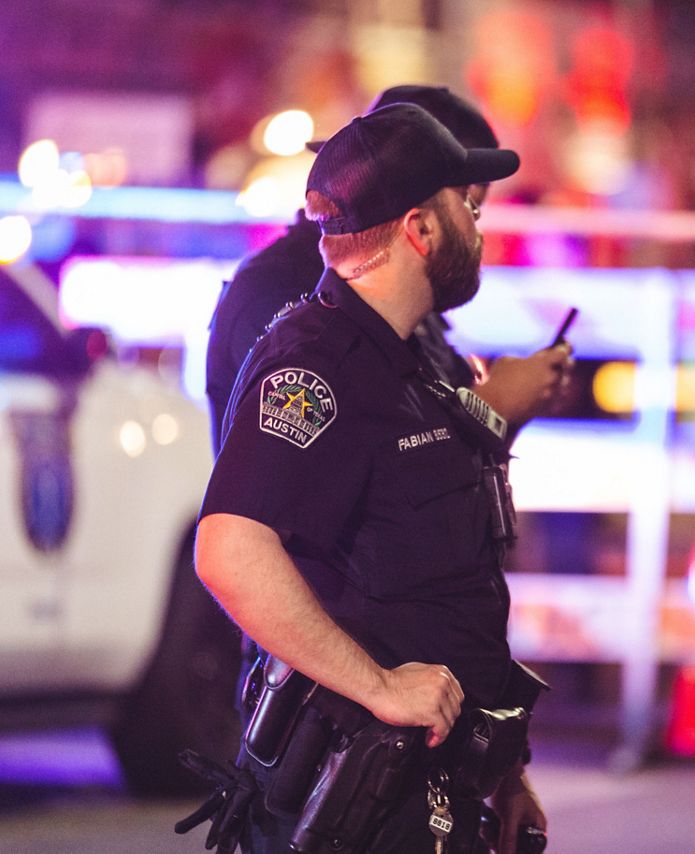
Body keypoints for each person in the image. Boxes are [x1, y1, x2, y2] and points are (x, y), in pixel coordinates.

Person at [191, 103, 548, 853]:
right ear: (421, 228)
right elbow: (230, 550)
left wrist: (504, 775)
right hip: (350, 803)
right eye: (468, 208)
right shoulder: (316, 367)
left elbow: (443, 590)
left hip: (433, 791)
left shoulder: (406, 366)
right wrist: (380, 687)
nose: (480, 228)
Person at [205, 84, 572, 450]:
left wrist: (502, 408)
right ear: (416, 211)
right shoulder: (284, 297)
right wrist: (497, 408)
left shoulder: (392, 299)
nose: (474, 225)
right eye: (465, 202)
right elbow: (354, 460)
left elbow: (421, 459)